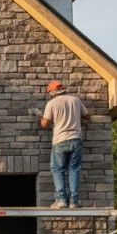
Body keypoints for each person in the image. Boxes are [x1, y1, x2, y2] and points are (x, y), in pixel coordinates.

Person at [38, 80, 90, 209]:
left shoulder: (52, 103)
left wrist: (39, 116)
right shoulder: (76, 100)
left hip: (60, 140)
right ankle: (74, 201)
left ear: (52, 92)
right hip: (76, 139)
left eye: (49, 92)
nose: (49, 95)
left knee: (57, 169)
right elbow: (88, 116)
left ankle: (61, 200)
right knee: (74, 169)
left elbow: (45, 124)